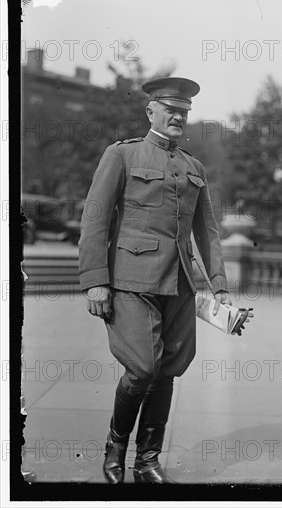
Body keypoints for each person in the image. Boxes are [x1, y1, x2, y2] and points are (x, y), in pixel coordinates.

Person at [78, 77, 231, 484]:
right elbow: (95, 218)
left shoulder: (193, 167)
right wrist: (95, 279)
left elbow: (208, 231)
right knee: (142, 367)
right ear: (151, 111)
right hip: (131, 280)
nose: (179, 116)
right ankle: (116, 445)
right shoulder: (122, 155)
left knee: (167, 371)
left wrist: (220, 286)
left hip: (179, 284)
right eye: (170, 109)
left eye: (184, 111)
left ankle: (147, 460)